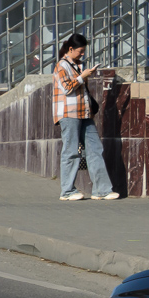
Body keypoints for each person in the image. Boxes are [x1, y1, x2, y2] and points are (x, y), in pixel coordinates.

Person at [53, 33, 119, 201]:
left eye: (83, 51)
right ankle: (67, 191)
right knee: (71, 151)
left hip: (84, 113)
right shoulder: (61, 66)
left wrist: (83, 75)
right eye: (80, 51)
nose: (82, 54)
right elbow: (67, 88)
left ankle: (102, 190)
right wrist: (82, 77)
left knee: (95, 149)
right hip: (69, 114)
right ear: (70, 49)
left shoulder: (78, 65)